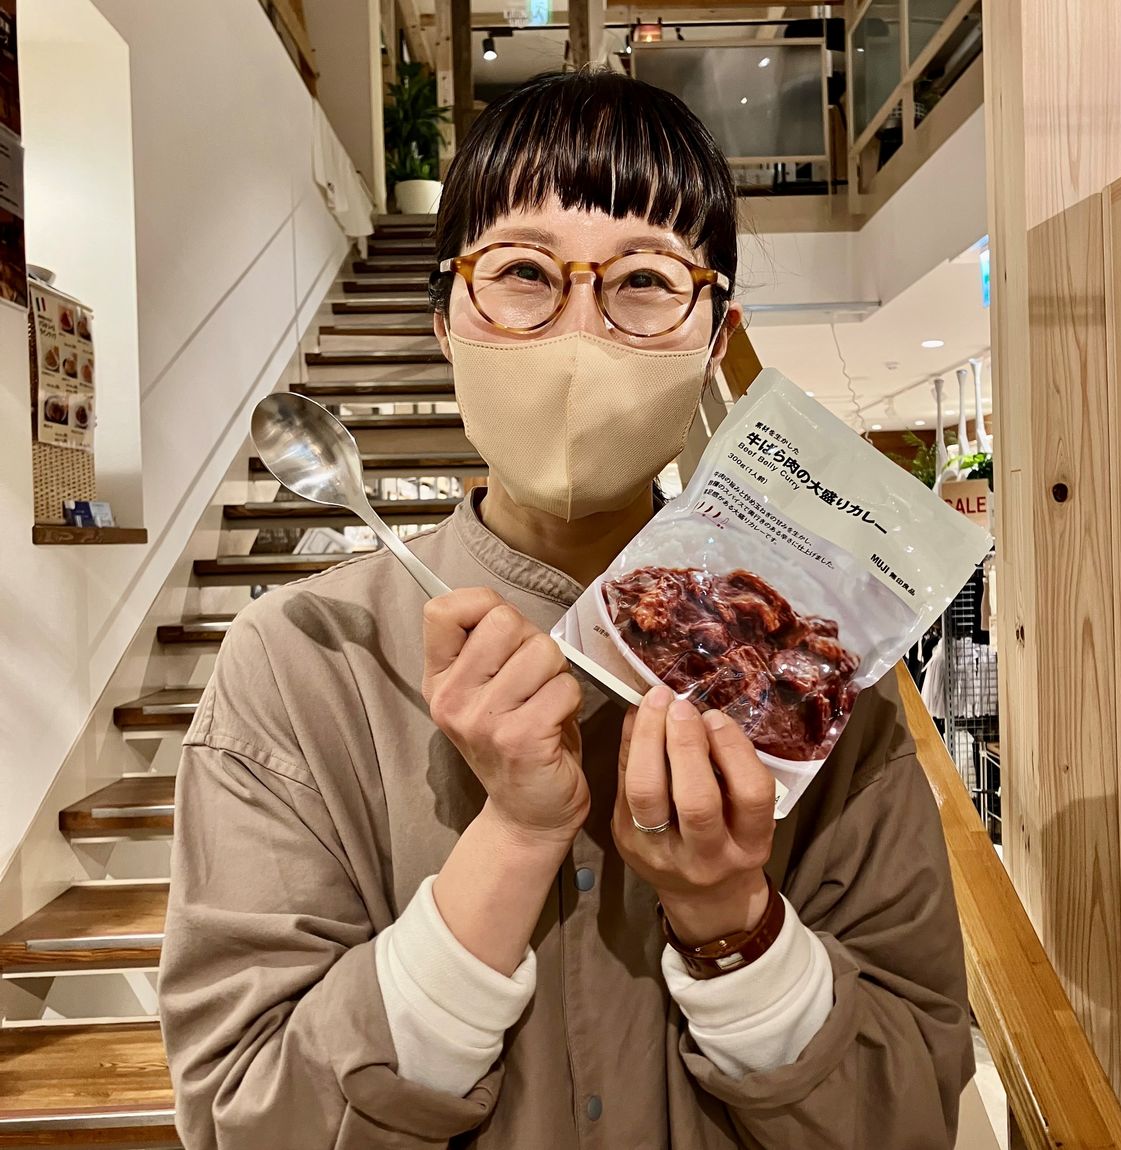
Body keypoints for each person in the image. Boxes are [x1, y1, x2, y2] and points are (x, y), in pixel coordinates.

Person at [158, 67, 973, 1149]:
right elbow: (247, 1116)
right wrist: (511, 837)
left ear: (715, 337)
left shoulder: (820, 684)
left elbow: (908, 1109)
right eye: (522, 273)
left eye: (644, 281)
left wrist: (730, 920)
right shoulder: (303, 661)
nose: (579, 332)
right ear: (445, 318)